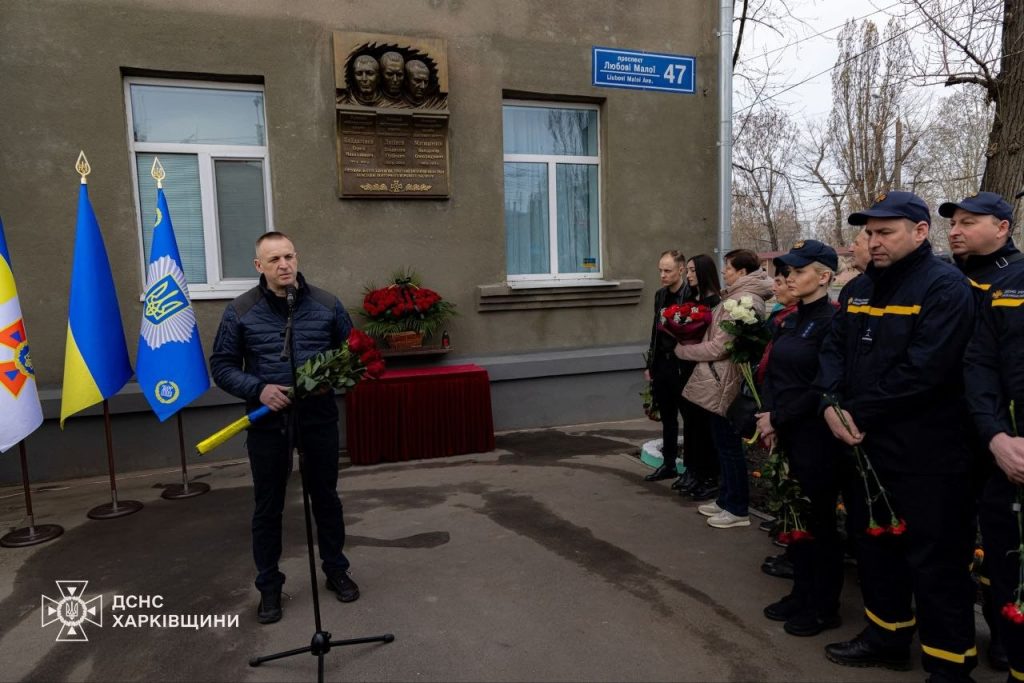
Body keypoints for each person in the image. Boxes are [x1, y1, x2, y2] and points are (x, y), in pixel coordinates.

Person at [816, 192, 978, 680]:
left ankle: (948, 666)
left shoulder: (945, 287)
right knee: (875, 547)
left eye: (885, 232)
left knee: (935, 561)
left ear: (920, 232)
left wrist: (854, 411)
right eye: (869, 232)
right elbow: (834, 348)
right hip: (866, 447)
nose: (874, 241)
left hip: (928, 455)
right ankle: (886, 638)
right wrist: (828, 401)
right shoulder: (859, 288)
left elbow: (926, 369)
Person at [210, 231, 360, 625]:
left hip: (318, 417)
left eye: (289, 256)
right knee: (268, 504)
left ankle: (336, 569)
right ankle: (269, 586)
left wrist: (336, 381)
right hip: (269, 425)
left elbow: (354, 356)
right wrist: (258, 389)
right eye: (274, 259)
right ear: (259, 266)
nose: (284, 265)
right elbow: (222, 366)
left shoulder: (327, 305)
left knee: (325, 497)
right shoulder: (241, 311)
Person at [944, 191, 1021, 674]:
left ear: (1003, 228)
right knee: (960, 537)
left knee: (1003, 546)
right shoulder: (949, 277)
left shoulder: (1012, 279)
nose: (955, 230)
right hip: (958, 430)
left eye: (969, 222)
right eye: (953, 223)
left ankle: (1004, 634)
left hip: (998, 438)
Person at [756, 240, 845, 637]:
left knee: (818, 519)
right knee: (796, 513)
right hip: (785, 428)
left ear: (824, 276)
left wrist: (778, 416)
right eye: (787, 270)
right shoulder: (792, 319)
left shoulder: (831, 321)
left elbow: (820, 384)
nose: (789, 276)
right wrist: (769, 416)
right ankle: (801, 590)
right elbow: (775, 372)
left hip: (815, 435)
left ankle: (824, 605)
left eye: (798, 270)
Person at [676, 249, 772, 529]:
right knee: (721, 444)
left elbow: (721, 347)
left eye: (728, 268)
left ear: (742, 272)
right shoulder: (733, 297)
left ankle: (738, 508)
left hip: (727, 380)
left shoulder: (747, 300)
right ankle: (726, 499)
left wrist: (684, 351)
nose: (725, 272)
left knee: (730, 447)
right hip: (720, 378)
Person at [675, 254, 723, 500]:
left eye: (693, 270)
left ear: (704, 272)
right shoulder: (692, 299)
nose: (689, 274)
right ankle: (692, 469)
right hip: (688, 369)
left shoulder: (716, 303)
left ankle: (707, 475)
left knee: (704, 427)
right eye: (688, 270)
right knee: (691, 425)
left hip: (705, 371)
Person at [643, 250, 692, 482]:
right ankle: (669, 464)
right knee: (668, 417)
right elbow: (655, 331)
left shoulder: (691, 294)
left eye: (667, 270)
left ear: (681, 270)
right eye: (660, 270)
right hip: (662, 364)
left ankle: (691, 469)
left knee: (689, 418)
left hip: (683, 366)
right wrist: (651, 364)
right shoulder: (660, 295)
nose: (662, 275)